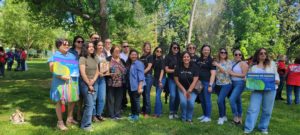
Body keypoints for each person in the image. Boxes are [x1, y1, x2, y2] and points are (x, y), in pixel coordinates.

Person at [244, 48, 280, 134]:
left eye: (265, 53)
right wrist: (247, 80)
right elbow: (248, 77)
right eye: (261, 53)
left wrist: (277, 80)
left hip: (270, 90)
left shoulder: (272, 64)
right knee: (252, 109)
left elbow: (276, 75)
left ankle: (263, 127)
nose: (263, 54)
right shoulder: (253, 66)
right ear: (257, 55)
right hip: (257, 90)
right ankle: (248, 128)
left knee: (267, 110)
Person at [48, 39, 80, 131]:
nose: (67, 46)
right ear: (59, 46)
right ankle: (60, 122)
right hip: (59, 82)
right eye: (64, 44)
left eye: (67, 44)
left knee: (72, 100)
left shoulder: (72, 56)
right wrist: (61, 76)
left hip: (71, 81)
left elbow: (75, 68)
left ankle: (69, 119)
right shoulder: (54, 56)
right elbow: (52, 69)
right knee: (59, 101)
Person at [79, 42, 99, 131]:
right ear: (85, 48)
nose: (91, 48)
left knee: (90, 104)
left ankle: (84, 122)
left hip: (94, 82)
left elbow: (98, 70)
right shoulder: (82, 58)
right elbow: (82, 73)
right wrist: (89, 84)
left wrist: (93, 80)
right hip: (85, 83)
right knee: (90, 104)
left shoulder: (95, 57)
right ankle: (86, 125)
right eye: (89, 47)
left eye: (92, 46)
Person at [174, 51, 199, 123]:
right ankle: (183, 117)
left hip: (193, 89)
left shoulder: (195, 67)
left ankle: (189, 118)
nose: (186, 58)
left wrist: (189, 90)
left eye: (188, 57)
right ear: (182, 58)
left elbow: (195, 80)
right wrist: (184, 91)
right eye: (184, 57)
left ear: (190, 58)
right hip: (182, 88)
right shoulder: (178, 67)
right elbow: (176, 80)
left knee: (190, 103)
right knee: (183, 102)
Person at [196, 44, 216, 123]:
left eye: (208, 50)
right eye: (205, 50)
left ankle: (208, 116)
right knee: (202, 99)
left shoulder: (211, 60)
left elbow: (213, 74)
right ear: (202, 51)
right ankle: (204, 115)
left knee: (207, 99)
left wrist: (210, 85)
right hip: (199, 82)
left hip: (207, 82)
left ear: (210, 51)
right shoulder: (199, 59)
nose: (206, 51)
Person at [228, 49, 248, 125]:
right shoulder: (232, 62)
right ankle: (240, 117)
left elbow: (244, 74)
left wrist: (232, 74)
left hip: (240, 83)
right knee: (238, 100)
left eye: (239, 54)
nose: (238, 56)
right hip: (232, 83)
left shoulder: (243, 63)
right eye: (236, 54)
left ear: (242, 55)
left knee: (232, 99)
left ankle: (235, 117)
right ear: (234, 55)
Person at [106, 45, 127, 119]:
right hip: (111, 82)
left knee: (119, 98)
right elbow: (104, 71)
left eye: (118, 51)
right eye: (116, 51)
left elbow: (126, 71)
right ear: (112, 52)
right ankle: (111, 114)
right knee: (110, 99)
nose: (117, 52)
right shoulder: (107, 60)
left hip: (121, 82)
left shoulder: (122, 61)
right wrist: (109, 73)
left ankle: (117, 113)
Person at [212, 48, 232, 125]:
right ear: (219, 53)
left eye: (225, 52)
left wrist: (218, 65)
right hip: (218, 84)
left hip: (227, 84)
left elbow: (226, 72)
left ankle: (220, 117)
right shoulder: (216, 62)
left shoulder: (229, 62)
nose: (223, 53)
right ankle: (224, 116)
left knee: (219, 100)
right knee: (222, 101)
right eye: (222, 52)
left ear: (226, 54)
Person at [69, 35, 85, 121]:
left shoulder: (84, 51)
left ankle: (79, 113)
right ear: (75, 42)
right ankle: (70, 116)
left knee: (81, 96)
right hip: (73, 76)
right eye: (78, 41)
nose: (80, 43)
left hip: (83, 76)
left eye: (82, 42)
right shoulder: (70, 51)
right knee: (73, 95)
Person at [127, 49, 145, 121]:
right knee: (132, 101)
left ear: (137, 56)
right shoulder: (131, 63)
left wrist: (140, 87)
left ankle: (136, 116)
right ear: (130, 56)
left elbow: (141, 77)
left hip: (137, 86)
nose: (133, 56)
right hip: (131, 86)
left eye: (135, 54)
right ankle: (133, 114)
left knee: (136, 101)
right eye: (132, 54)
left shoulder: (139, 64)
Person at [165, 42, 181, 119]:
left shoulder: (181, 56)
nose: (176, 49)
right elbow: (166, 70)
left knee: (178, 96)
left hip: (180, 80)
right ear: (171, 48)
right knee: (173, 95)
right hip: (171, 79)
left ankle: (175, 111)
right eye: (174, 47)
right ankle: (171, 112)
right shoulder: (168, 57)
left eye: (177, 48)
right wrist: (175, 70)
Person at [93, 41, 107, 122]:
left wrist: (105, 72)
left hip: (102, 79)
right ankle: (93, 115)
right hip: (95, 78)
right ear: (96, 46)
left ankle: (99, 114)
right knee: (94, 98)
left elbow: (105, 67)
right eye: (99, 45)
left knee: (102, 98)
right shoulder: (93, 55)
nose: (101, 46)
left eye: (102, 45)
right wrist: (99, 73)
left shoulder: (103, 55)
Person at [140, 42, 154, 117]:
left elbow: (149, 67)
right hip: (142, 77)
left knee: (146, 94)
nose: (148, 48)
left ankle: (147, 112)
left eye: (149, 47)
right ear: (144, 48)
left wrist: (141, 73)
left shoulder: (150, 56)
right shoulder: (141, 56)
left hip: (148, 76)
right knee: (143, 93)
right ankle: (143, 109)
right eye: (146, 46)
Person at [152, 46, 166, 117]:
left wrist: (160, 81)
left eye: (160, 51)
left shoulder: (162, 60)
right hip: (156, 79)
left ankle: (156, 113)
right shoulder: (154, 59)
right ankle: (159, 112)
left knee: (157, 95)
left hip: (161, 79)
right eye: (157, 51)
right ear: (155, 51)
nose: (159, 52)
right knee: (158, 96)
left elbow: (162, 70)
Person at [120, 41, 130, 110]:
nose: (126, 48)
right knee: (123, 91)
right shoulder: (120, 55)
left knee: (131, 91)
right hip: (122, 76)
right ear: (122, 48)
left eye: (127, 46)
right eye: (124, 46)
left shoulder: (132, 55)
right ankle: (122, 105)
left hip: (130, 76)